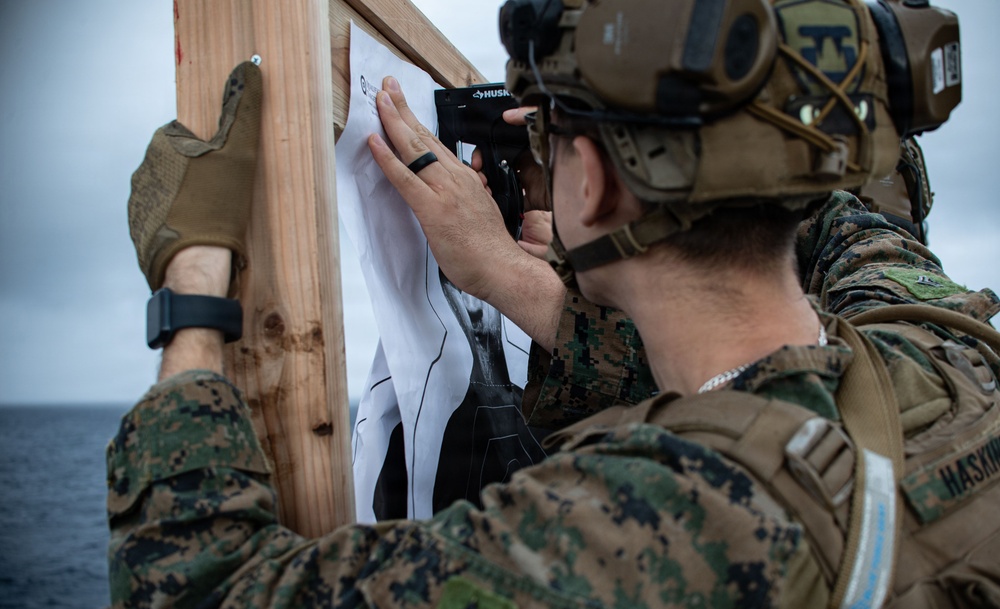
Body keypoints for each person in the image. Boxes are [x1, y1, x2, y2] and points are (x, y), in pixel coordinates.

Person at [111, 2, 1000, 608]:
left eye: (552, 138)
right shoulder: (942, 355)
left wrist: (194, 282)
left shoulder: (645, 529)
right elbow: (852, 226)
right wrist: (525, 260)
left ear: (598, 182)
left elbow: (202, 582)